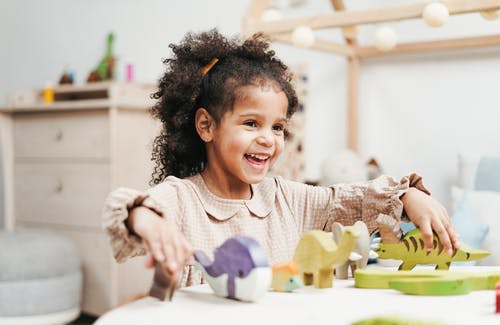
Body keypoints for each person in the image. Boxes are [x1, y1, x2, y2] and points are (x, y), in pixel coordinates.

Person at [102, 29, 459, 288]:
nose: (267, 139)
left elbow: (351, 199)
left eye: (277, 128)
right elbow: (124, 208)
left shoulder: (288, 198)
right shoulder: (182, 199)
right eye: (251, 123)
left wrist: (408, 195)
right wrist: (149, 221)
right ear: (207, 126)